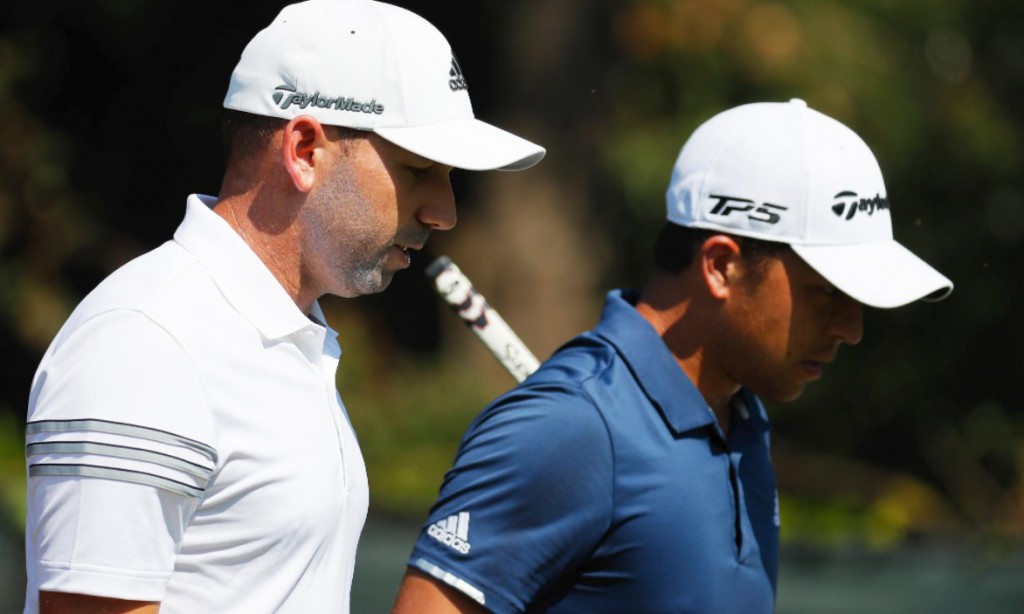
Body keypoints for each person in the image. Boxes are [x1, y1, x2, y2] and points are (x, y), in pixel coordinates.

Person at [22, 1, 544, 612]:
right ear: (303, 150)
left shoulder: (287, 336)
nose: (444, 213)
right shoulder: (146, 342)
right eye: (419, 170)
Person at [390, 98, 953, 613]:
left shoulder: (743, 416)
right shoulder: (570, 428)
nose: (852, 328)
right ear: (721, 266)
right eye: (825, 292)